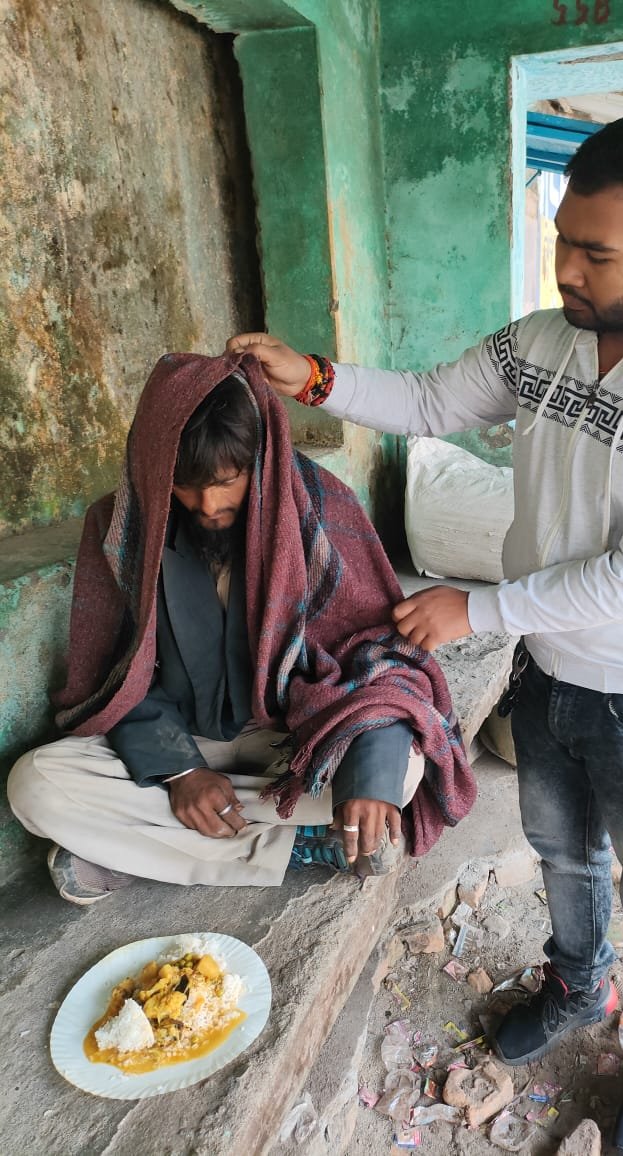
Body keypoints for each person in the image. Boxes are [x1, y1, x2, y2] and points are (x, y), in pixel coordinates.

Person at [229, 111, 623, 1156]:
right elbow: (434, 399)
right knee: (561, 855)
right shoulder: (544, 341)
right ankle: (575, 986)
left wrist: (475, 609)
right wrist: (318, 378)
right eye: (564, 239)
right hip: (553, 671)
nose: (568, 268)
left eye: (596, 252)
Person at [7, 353, 475, 904]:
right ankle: (296, 845)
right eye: (185, 484)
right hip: (181, 739)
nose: (208, 505)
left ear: (261, 457)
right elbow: (113, 675)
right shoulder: (122, 528)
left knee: (398, 772)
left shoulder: (321, 509)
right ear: (156, 467)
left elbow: (382, 660)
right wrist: (180, 772)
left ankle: (138, 844)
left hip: (297, 742)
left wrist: (367, 782)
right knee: (34, 785)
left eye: (227, 481)